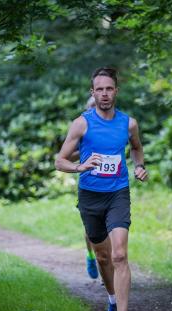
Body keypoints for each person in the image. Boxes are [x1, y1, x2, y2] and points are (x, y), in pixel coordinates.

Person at [55, 67, 148, 311]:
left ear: (116, 91)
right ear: (92, 93)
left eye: (109, 89)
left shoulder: (128, 123)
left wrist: (140, 166)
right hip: (90, 196)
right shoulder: (81, 124)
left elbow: (136, 148)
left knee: (119, 255)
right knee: (104, 257)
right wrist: (80, 166)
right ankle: (110, 300)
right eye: (99, 89)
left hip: (118, 193)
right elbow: (60, 160)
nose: (104, 94)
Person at [70, 96, 99, 280]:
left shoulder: (113, 126)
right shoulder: (81, 127)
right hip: (88, 185)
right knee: (91, 229)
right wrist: (86, 152)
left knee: (112, 228)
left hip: (112, 187)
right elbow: (67, 156)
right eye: (93, 107)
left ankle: (108, 269)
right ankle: (90, 256)